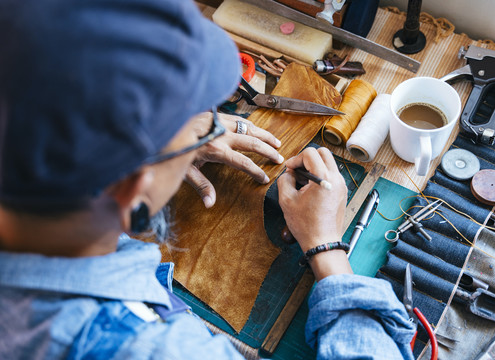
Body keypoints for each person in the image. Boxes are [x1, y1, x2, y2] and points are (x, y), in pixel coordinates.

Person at [0, 0, 415, 359]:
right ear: (132, 189)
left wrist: (170, 136)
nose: (212, 127)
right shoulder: (142, 347)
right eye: (196, 130)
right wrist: (328, 251)